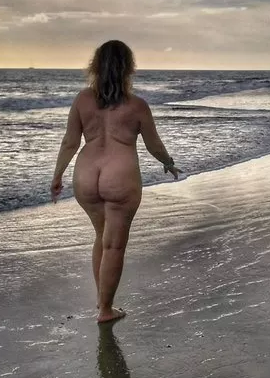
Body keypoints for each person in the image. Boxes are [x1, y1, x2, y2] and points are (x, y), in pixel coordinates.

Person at [50, 40, 181, 323]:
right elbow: (154, 145)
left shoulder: (82, 99)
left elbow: (70, 142)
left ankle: (102, 303)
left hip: (86, 177)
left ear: (95, 66)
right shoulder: (137, 106)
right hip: (120, 178)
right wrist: (169, 164)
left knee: (101, 237)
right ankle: (106, 310)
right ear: (129, 69)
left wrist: (58, 174)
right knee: (114, 245)